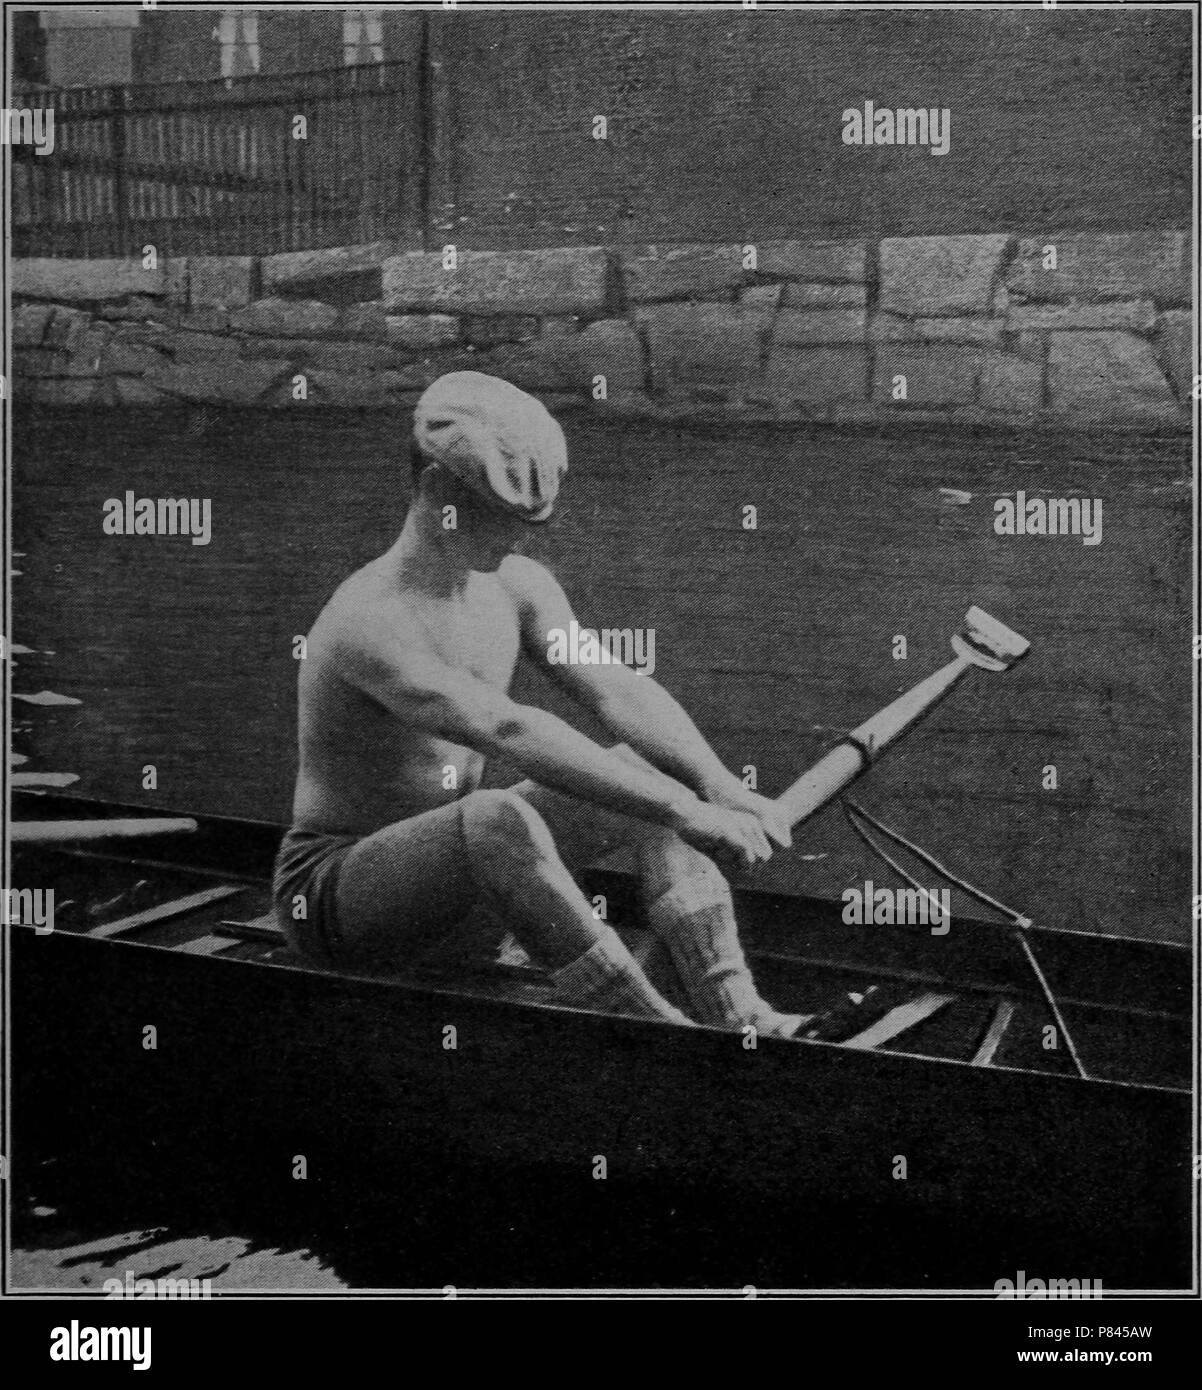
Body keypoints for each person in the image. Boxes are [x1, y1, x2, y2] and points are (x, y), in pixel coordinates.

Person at [274, 371, 802, 1037]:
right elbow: (506, 727)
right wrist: (684, 813)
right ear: (437, 491)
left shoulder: (518, 588)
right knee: (497, 817)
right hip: (338, 900)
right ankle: (655, 1033)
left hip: (461, 892)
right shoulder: (367, 620)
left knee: (650, 768)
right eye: (505, 520)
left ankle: (741, 1015)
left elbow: (617, 688)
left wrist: (714, 785)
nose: (520, 540)